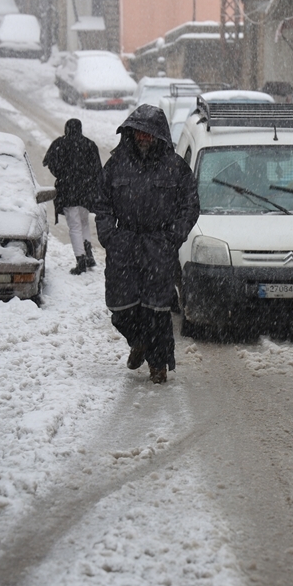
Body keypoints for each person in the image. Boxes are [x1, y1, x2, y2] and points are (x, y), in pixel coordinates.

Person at [94, 104, 199, 384]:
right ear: (130, 133)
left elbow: (190, 205)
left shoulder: (175, 167)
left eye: (148, 134)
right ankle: (138, 342)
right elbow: (101, 204)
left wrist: (171, 237)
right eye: (138, 133)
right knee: (120, 308)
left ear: (159, 136)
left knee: (157, 311)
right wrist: (110, 236)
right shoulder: (116, 165)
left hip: (158, 245)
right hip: (124, 245)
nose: (143, 138)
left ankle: (157, 363)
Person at [43, 118, 103, 275]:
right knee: (84, 223)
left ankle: (80, 259)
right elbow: (98, 170)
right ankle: (88, 254)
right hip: (86, 193)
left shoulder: (60, 144)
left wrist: (62, 175)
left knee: (74, 227)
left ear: (66, 129)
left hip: (68, 191)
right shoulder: (90, 145)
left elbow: (50, 163)